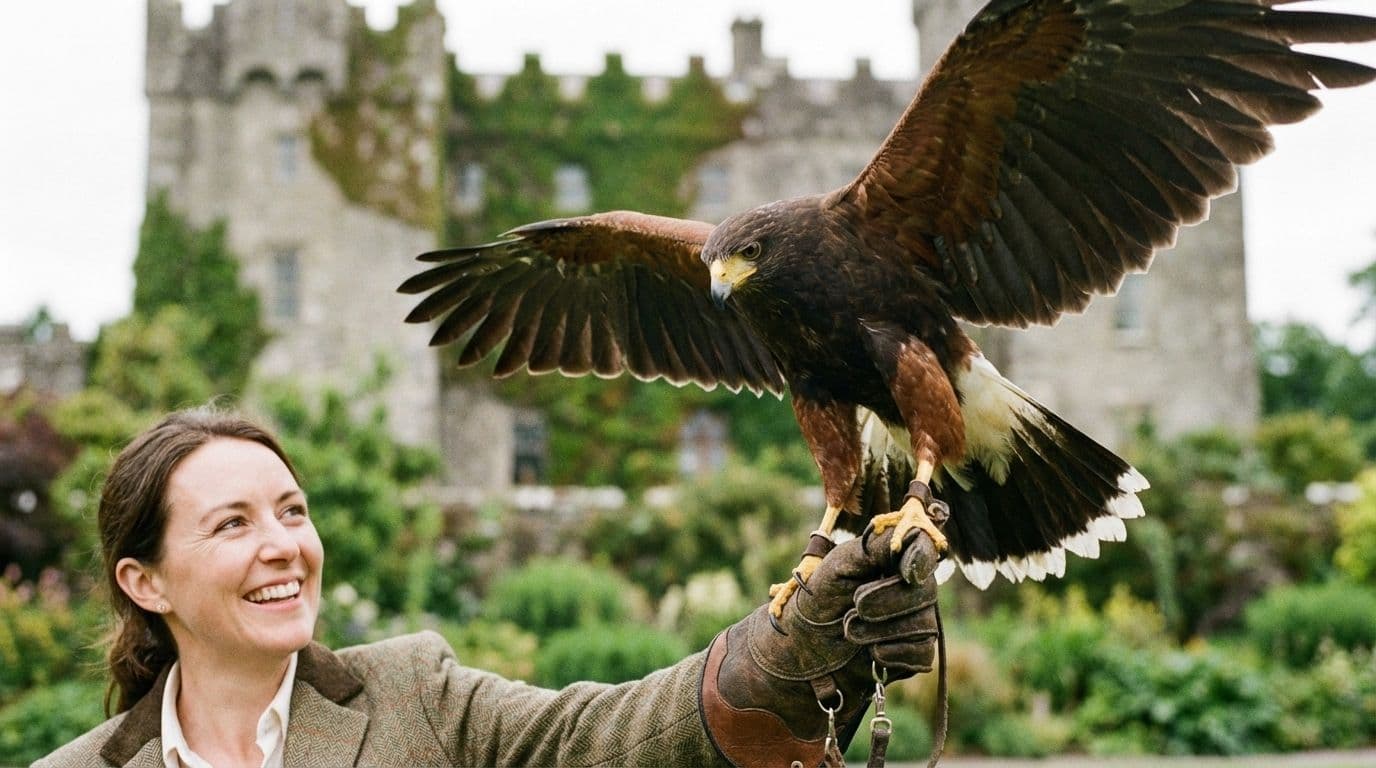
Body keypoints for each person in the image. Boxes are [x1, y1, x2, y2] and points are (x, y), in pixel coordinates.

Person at [37, 407, 941, 768]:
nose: (283, 546)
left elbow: (611, 740)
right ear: (143, 580)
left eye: (292, 511)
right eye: (233, 523)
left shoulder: (414, 696)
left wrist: (792, 653)